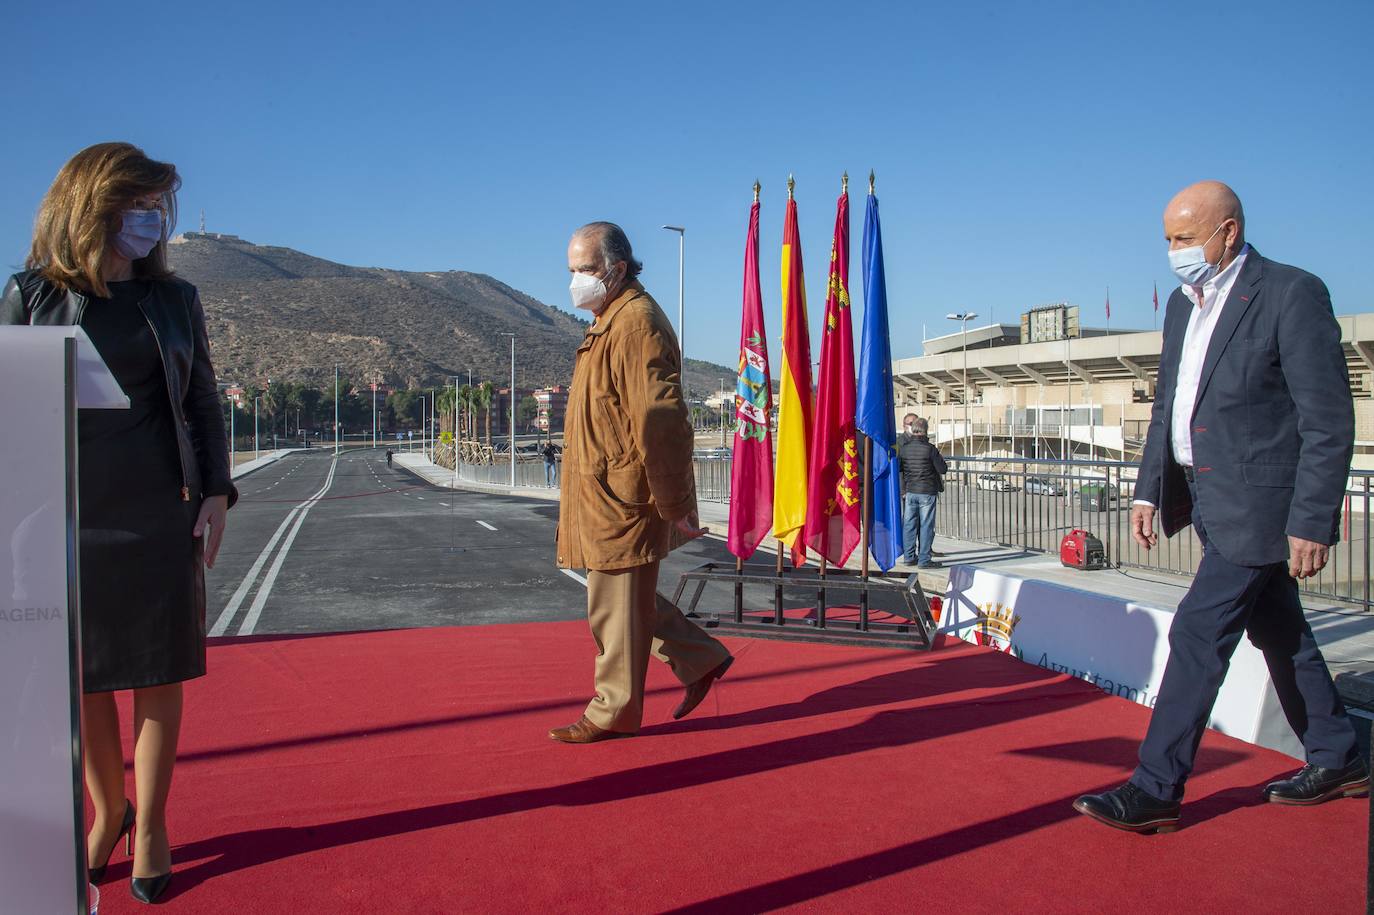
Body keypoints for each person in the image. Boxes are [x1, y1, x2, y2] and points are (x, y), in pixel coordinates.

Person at [1073, 181, 1367, 834]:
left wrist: (1311, 520)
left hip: (1261, 507)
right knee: (1281, 632)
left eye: (1184, 238)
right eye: (1167, 239)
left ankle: (1156, 788)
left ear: (1228, 231)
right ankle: (1340, 754)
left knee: (1197, 633)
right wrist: (1150, 487)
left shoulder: (1291, 294)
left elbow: (1328, 419)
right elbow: (1170, 407)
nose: (1174, 251)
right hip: (1207, 499)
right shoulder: (1184, 306)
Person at [1, 143, 235, 902]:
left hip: (158, 509)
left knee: (158, 671)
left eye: (158, 208)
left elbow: (202, 400)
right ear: (93, 203)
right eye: (141, 204)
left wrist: (216, 491)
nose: (152, 220)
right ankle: (110, 811)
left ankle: (155, 823)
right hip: (65, 514)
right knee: (87, 677)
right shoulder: (29, 294)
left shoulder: (174, 300)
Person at [550, 222, 733, 743]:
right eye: (572, 271)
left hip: (622, 497)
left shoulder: (634, 323)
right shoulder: (613, 319)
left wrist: (675, 502)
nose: (576, 281)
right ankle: (699, 660)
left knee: (612, 607)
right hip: (604, 492)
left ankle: (613, 711)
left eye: (585, 270)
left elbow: (661, 419)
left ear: (618, 269)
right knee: (629, 603)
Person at [897, 414, 946, 568]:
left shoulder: (904, 448)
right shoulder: (930, 449)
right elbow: (942, 469)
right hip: (927, 491)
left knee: (909, 525)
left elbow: (899, 468)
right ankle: (924, 559)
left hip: (911, 491)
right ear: (925, 430)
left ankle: (909, 557)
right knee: (926, 526)